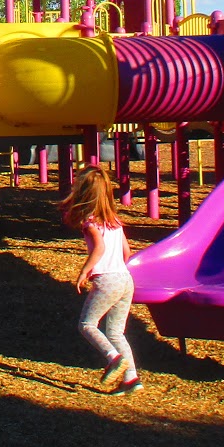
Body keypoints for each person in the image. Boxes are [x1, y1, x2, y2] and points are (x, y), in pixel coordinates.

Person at [63, 166, 142, 395]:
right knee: (116, 331)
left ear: (83, 193)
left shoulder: (90, 222)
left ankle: (113, 358)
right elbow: (126, 251)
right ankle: (131, 378)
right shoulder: (114, 221)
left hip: (108, 280)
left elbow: (99, 248)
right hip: (125, 279)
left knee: (87, 325)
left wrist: (85, 271)